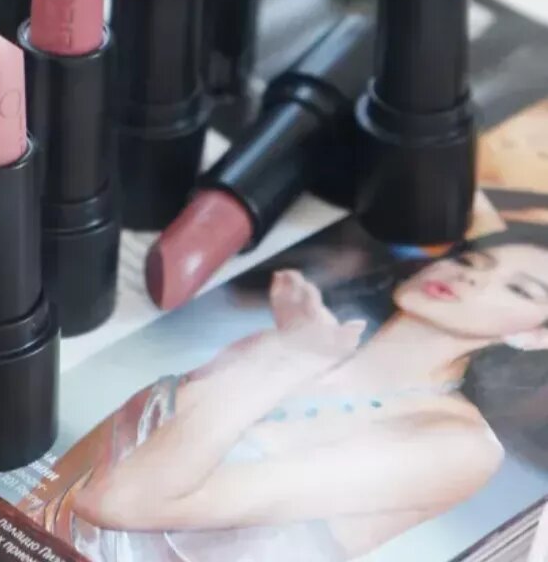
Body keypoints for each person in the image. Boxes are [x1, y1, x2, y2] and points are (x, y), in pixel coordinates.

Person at [32, 233, 548, 561]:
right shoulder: (288, 344)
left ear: (535, 334)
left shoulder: (455, 443)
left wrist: (289, 358)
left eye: (519, 289)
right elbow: (63, 483)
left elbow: (120, 502)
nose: (470, 276)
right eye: (475, 259)